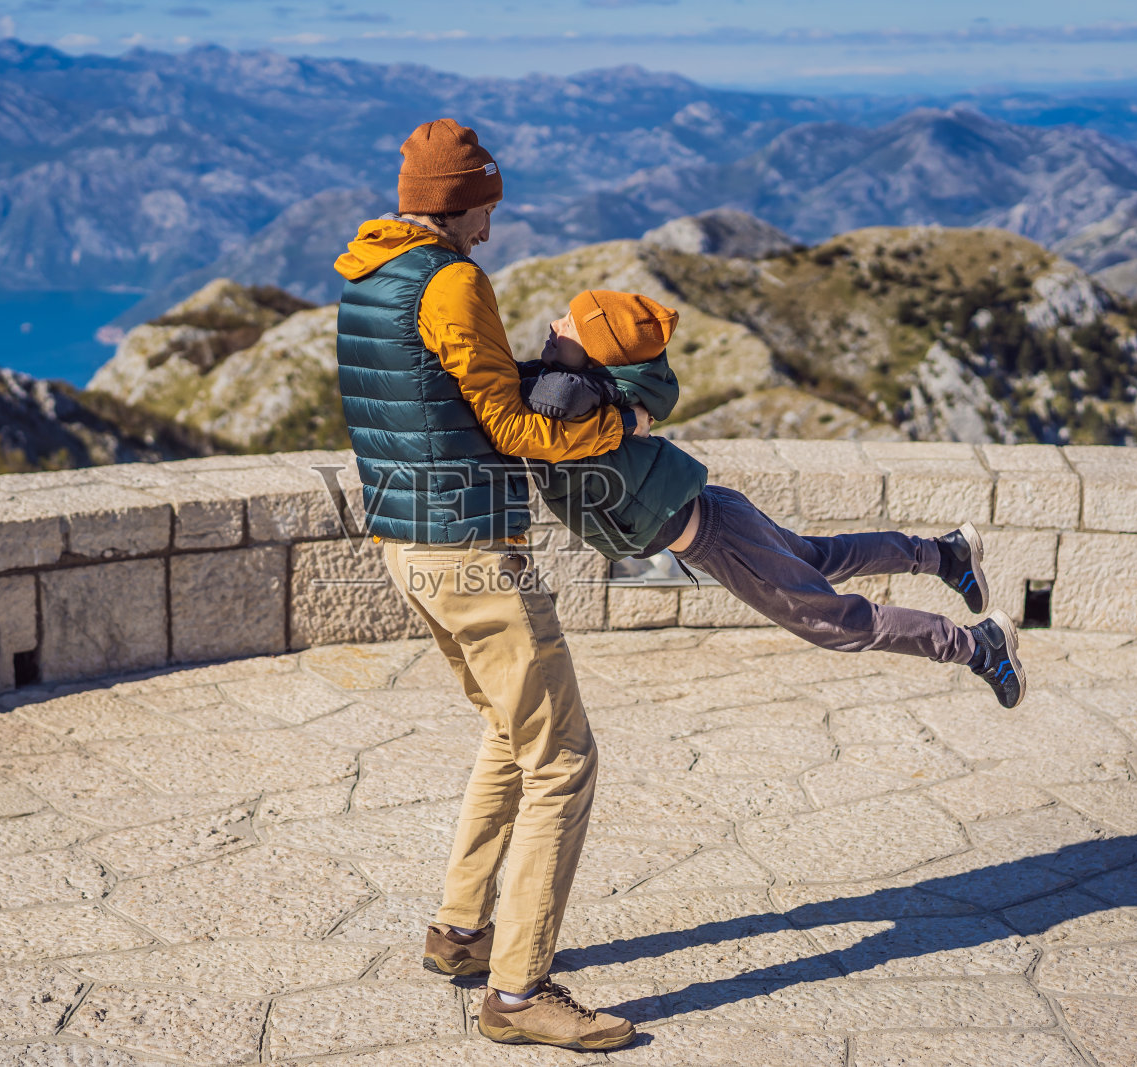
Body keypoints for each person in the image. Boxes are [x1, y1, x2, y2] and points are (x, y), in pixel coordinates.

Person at [331, 118, 641, 1051]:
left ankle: (462, 930)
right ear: (455, 204)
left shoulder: (366, 276)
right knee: (564, 759)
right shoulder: (451, 280)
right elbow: (511, 426)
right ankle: (518, 992)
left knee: (513, 732)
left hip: (406, 539)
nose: (490, 232)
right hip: (471, 548)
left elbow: (438, 396)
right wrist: (611, 426)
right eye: (485, 211)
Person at [516, 289, 1027, 709]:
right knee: (821, 559)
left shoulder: (580, 396)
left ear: (597, 352)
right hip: (718, 512)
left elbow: (553, 398)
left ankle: (977, 647)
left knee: (836, 624)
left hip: (719, 541)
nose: (554, 324)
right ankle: (943, 554)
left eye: (569, 325)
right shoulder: (599, 390)